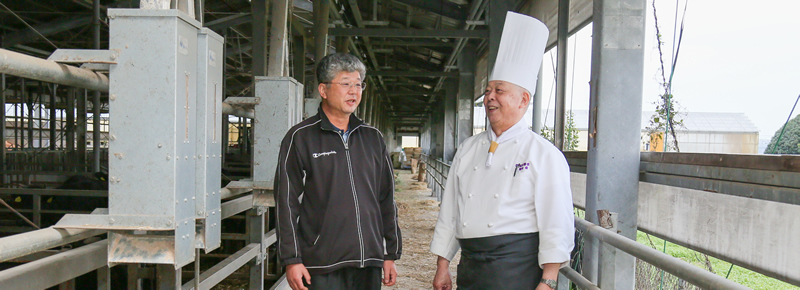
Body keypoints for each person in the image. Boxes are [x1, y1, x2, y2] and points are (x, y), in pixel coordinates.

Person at [430, 12, 574, 290]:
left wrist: (549, 280)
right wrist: (443, 265)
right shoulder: (469, 148)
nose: (489, 97)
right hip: (471, 265)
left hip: (517, 267)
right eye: (487, 91)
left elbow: (556, 220)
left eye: (499, 90)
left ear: (523, 99)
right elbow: (451, 211)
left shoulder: (544, 154)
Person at [274, 53, 401, 290]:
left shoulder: (373, 138)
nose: (354, 91)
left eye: (358, 84)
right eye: (345, 84)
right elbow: (286, 203)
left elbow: (387, 198)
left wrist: (390, 253)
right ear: (323, 90)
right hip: (322, 265)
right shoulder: (300, 138)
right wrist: (291, 259)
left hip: (368, 262)